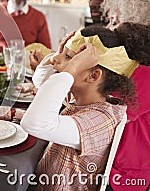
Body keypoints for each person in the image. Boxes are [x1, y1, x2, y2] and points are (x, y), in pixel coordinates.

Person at [21, 23, 150, 190]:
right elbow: (42, 84)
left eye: (69, 57)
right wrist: (64, 56)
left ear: (94, 75)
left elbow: (34, 123)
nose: (55, 59)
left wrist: (71, 69)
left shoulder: (101, 120)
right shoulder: (85, 98)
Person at [100, 0, 150, 190]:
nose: (107, 27)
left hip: (127, 171)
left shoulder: (144, 73)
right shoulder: (128, 64)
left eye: (114, 22)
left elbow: (104, 111)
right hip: (113, 164)